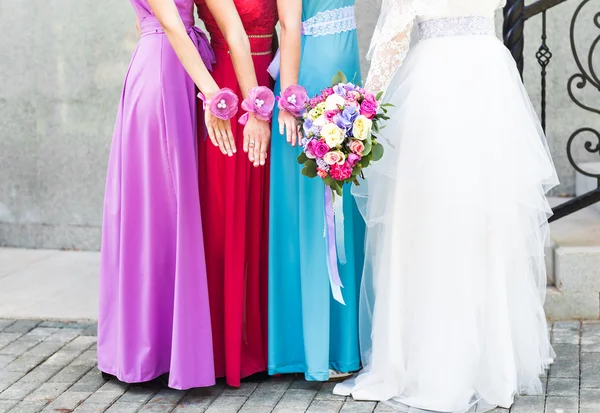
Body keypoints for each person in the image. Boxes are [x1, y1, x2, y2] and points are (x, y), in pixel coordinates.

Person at [334, 0, 558, 411]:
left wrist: (359, 117)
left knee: (426, 221)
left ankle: (427, 358)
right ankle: (491, 361)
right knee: (483, 220)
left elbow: (391, 39)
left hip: (435, 88)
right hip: (487, 79)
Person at [98, 0, 263, 390]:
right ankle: (146, 350)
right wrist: (215, 98)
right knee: (157, 210)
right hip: (162, 73)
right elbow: (169, 25)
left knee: (175, 210)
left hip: (185, 73)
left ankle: (170, 346)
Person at [268, 0, 366, 382]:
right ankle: (312, 348)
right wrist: (290, 101)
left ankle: (344, 344)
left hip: (344, 66)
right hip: (312, 73)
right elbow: (289, 24)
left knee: (342, 202)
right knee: (314, 210)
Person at [195, 0, 278, 387]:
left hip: (270, 83)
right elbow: (234, 34)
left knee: (263, 217)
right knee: (225, 215)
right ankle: (222, 348)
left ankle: (264, 343)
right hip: (233, 90)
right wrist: (254, 111)